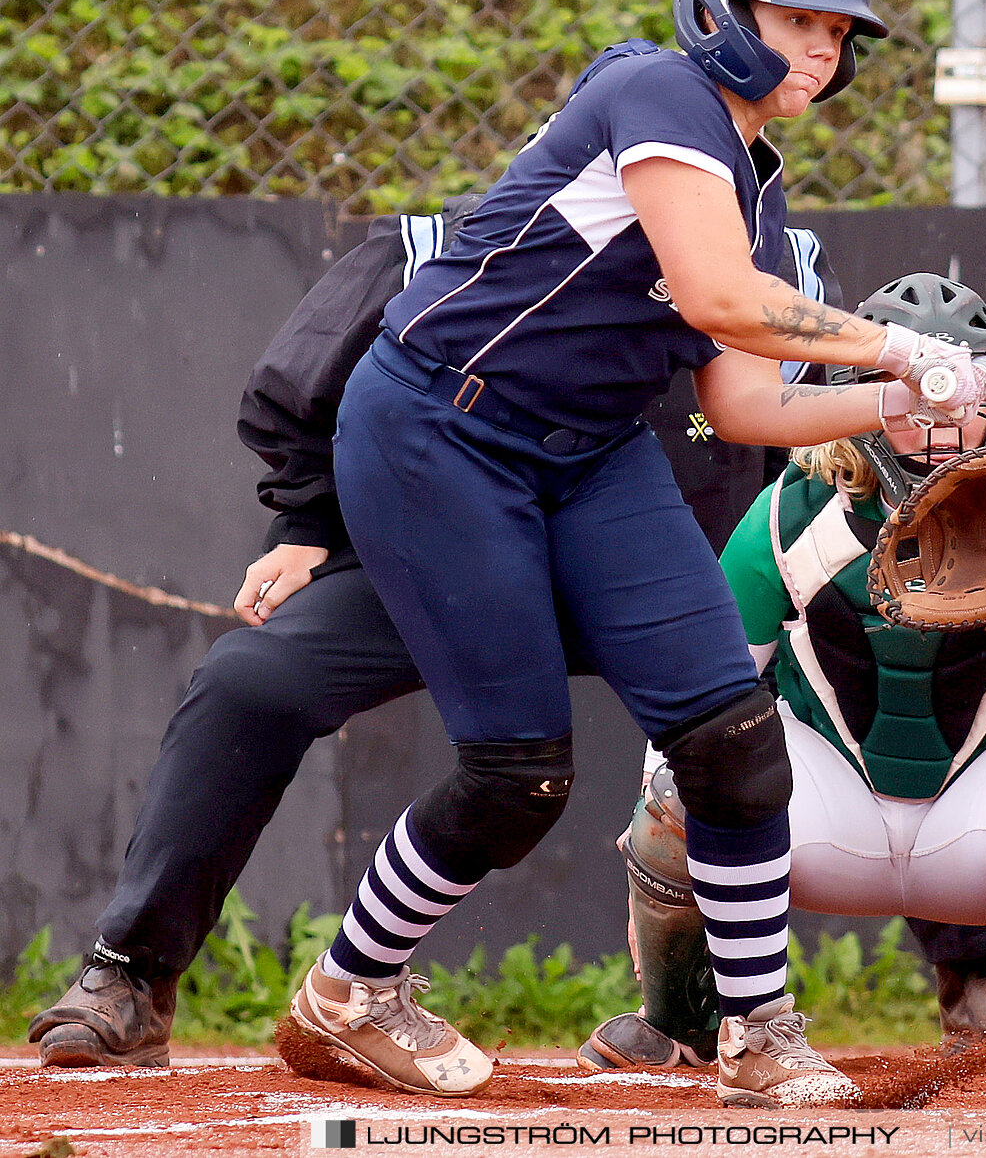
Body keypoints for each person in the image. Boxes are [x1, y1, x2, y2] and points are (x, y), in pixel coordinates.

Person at [286, 0, 986, 1108]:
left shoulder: (754, 183)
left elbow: (750, 407)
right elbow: (722, 300)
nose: (824, 50)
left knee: (732, 738)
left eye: (840, 31)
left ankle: (759, 1035)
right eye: (797, 21)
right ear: (718, 13)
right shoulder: (656, 95)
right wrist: (898, 351)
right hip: (436, 428)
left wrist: (902, 414)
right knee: (517, 772)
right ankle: (351, 993)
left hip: (591, 451)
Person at [24, 194, 822, 1069]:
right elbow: (309, 385)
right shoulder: (443, 252)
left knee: (744, 732)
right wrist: (304, 522)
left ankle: (929, 973)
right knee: (253, 682)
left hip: (659, 581)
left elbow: (818, 462)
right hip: (445, 559)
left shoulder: (775, 273)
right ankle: (131, 973)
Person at [580, 274, 986, 1077]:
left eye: (960, 391)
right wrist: (665, 819)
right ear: (858, 401)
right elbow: (703, 694)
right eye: (908, 392)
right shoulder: (794, 512)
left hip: (974, 823)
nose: (939, 418)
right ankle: (681, 1022)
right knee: (691, 786)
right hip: (825, 813)